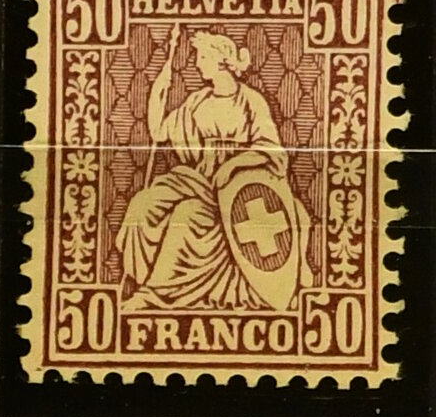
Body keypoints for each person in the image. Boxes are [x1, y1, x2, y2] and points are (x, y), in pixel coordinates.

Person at [116, 25, 306, 317]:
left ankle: (155, 294)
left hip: (236, 191)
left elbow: (273, 151)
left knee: (187, 214)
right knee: (142, 205)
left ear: (220, 62)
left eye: (202, 57)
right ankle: (140, 277)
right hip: (200, 181)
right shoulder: (197, 101)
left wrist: (233, 164)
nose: (195, 63)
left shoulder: (250, 100)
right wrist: (159, 90)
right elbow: (160, 132)